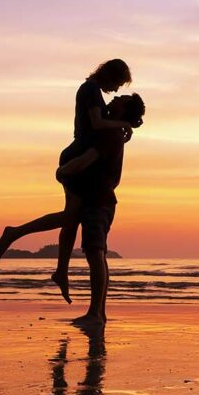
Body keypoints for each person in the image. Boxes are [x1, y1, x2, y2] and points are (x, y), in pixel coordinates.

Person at [0, 59, 135, 298]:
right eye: (118, 83)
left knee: (71, 218)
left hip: (79, 156)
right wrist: (124, 124)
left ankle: (60, 270)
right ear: (109, 75)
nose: (117, 90)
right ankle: (16, 233)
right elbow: (97, 123)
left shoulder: (93, 91)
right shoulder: (90, 89)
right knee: (71, 216)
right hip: (77, 157)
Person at [71, 94, 144, 327]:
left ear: (124, 110)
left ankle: (95, 313)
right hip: (102, 199)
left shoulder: (110, 134)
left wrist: (62, 171)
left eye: (120, 99)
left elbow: (86, 160)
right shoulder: (114, 131)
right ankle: (99, 313)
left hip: (98, 199)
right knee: (98, 254)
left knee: (95, 253)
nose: (114, 99)